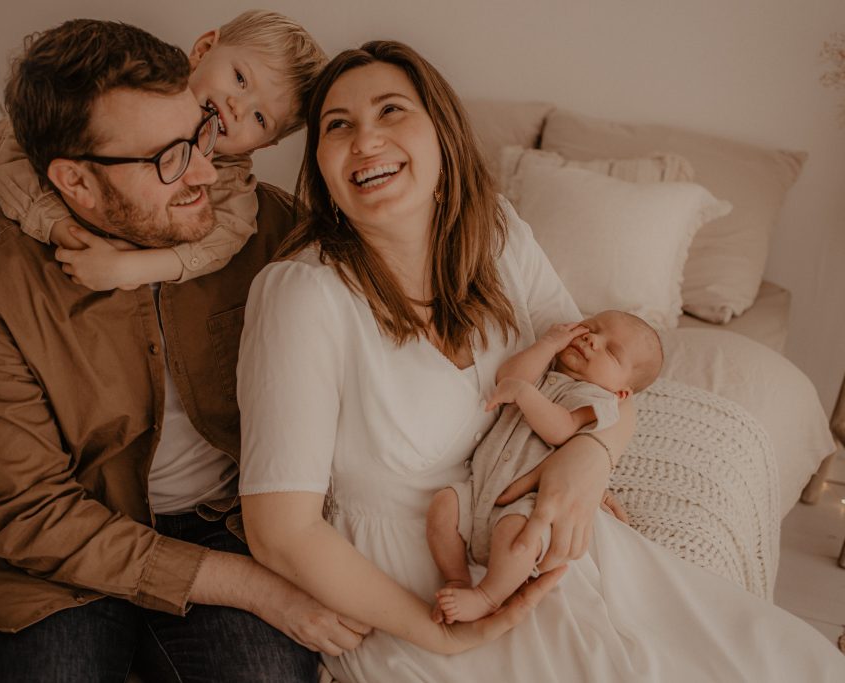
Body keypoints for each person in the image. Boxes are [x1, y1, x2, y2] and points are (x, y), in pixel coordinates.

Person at [236, 40, 845, 681]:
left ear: (442, 133)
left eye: (391, 111)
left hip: (528, 528)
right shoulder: (303, 295)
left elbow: (600, 377)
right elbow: (282, 531)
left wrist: (592, 456)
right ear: (323, 168)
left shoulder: (494, 233)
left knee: (759, 654)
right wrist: (442, 637)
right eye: (339, 126)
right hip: (414, 587)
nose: (366, 141)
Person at [0, 19, 361, 682]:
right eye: (167, 157)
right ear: (75, 182)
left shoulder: (270, 232)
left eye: (201, 133)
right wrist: (251, 587)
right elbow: (32, 513)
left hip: (223, 524)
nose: (203, 170)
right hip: (61, 556)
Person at [0, 9, 322, 292]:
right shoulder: (139, 84)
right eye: (240, 79)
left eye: (260, 118)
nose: (237, 107)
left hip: (108, 218)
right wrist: (62, 229)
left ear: (266, 144)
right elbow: (8, 151)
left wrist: (131, 268)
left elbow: (227, 235)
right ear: (204, 49)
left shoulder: (228, 174)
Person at [429, 311, 663, 624]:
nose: (592, 339)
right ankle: (456, 577)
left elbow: (562, 428)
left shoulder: (597, 400)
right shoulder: (545, 368)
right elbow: (509, 377)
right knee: (443, 506)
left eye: (610, 351)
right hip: (479, 488)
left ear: (621, 392)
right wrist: (549, 344)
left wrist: (525, 395)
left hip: (523, 503)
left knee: (519, 537)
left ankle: (488, 596)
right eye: (591, 328)